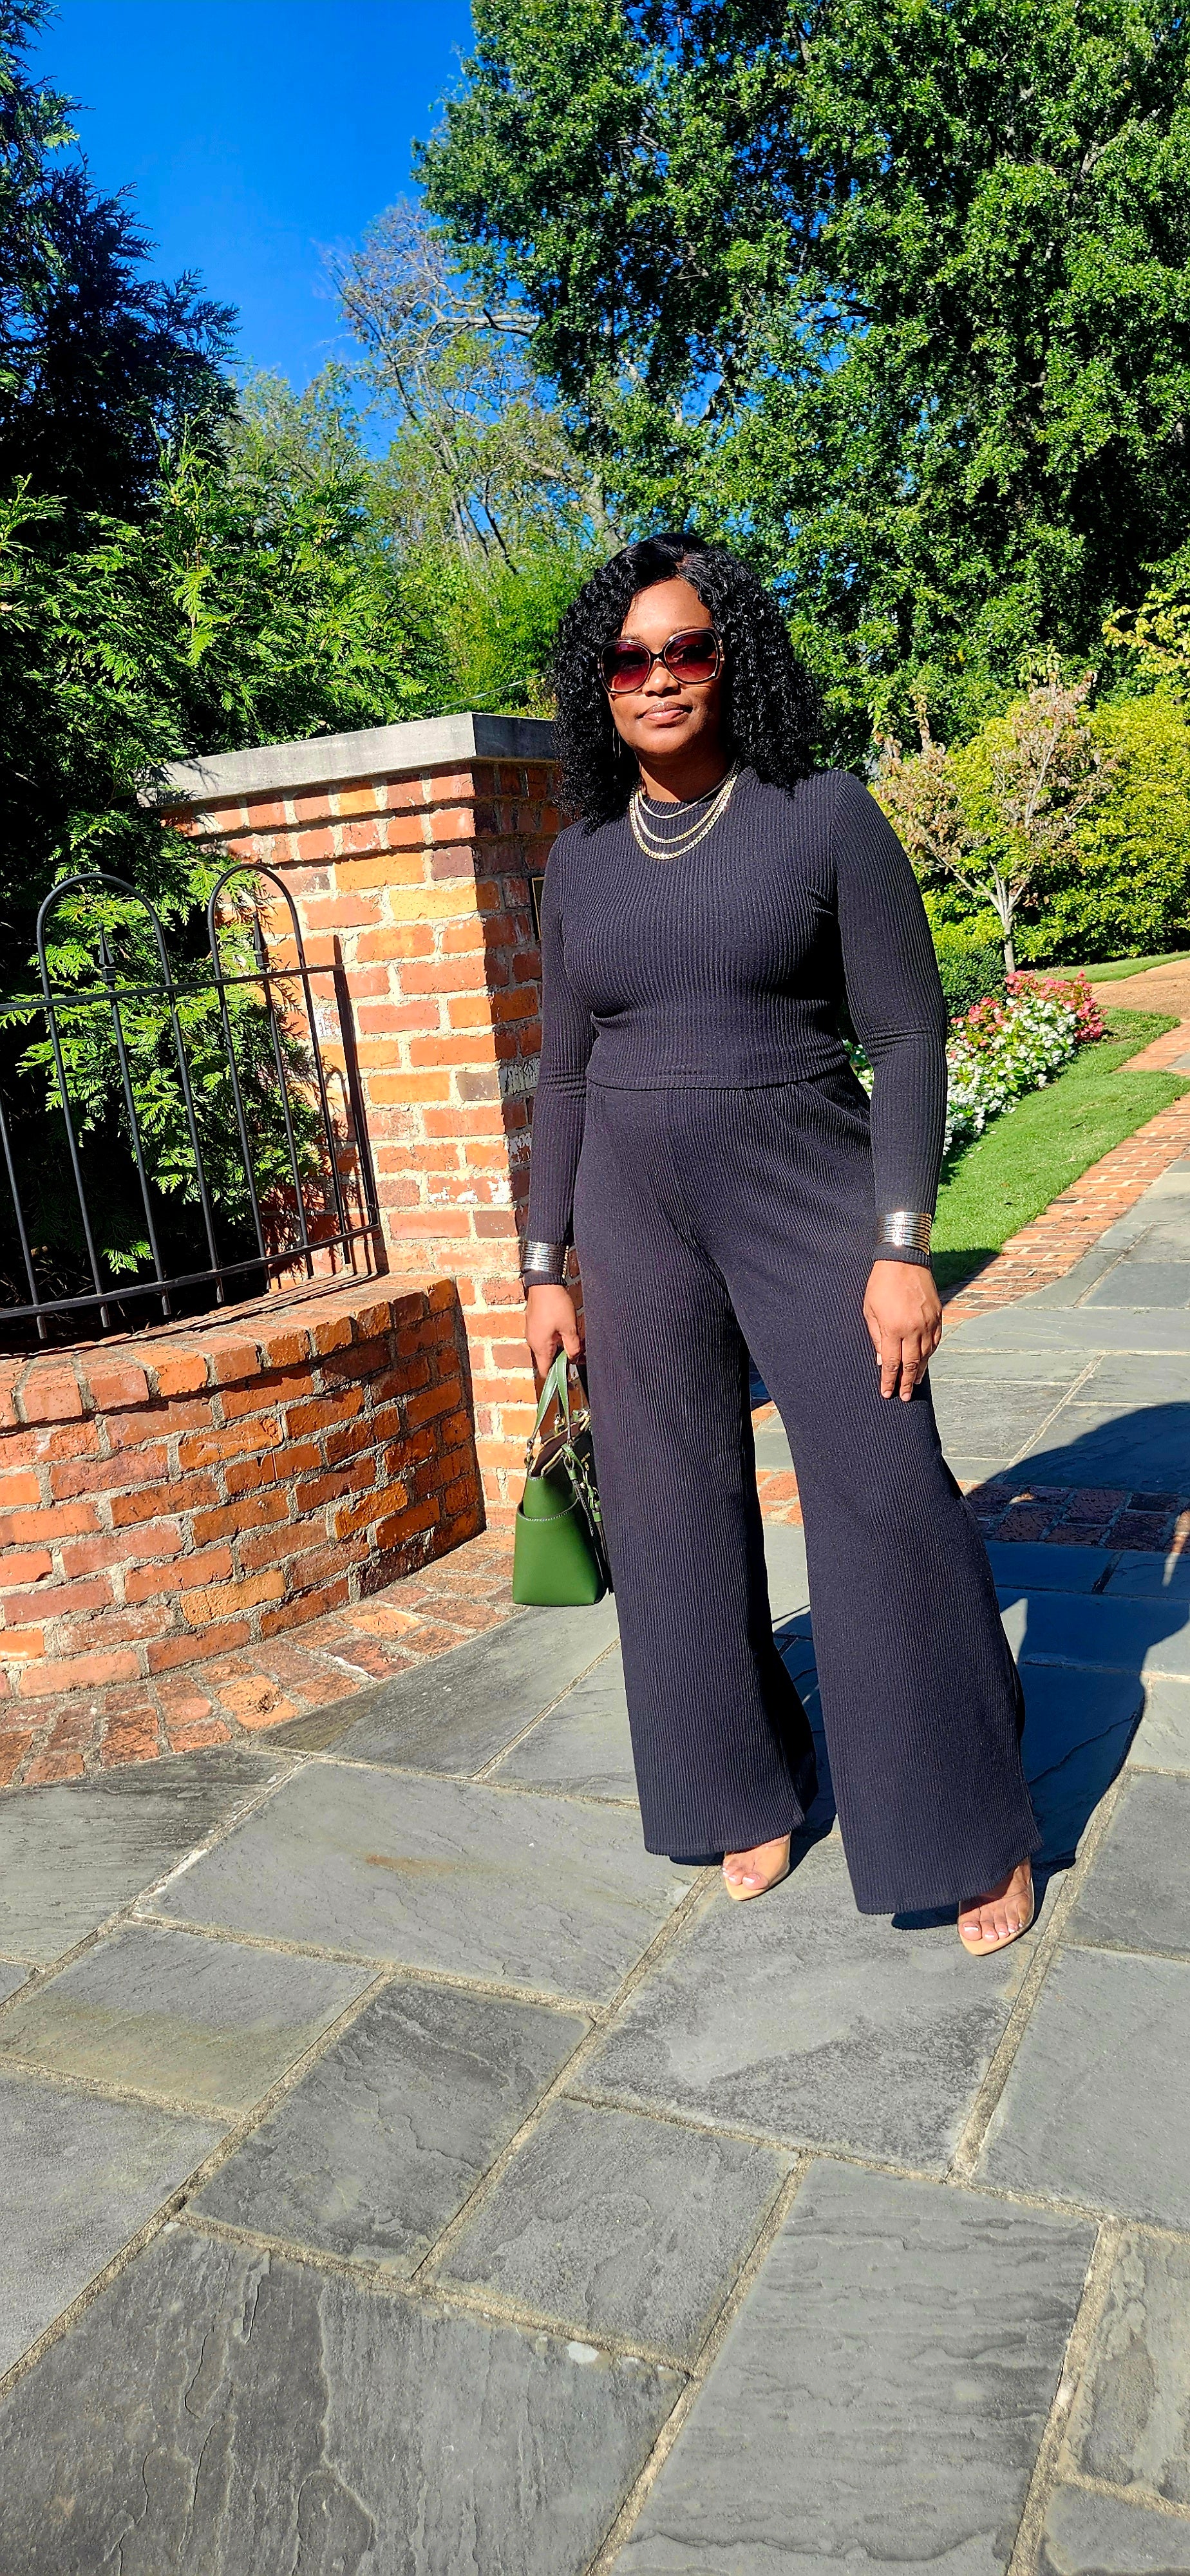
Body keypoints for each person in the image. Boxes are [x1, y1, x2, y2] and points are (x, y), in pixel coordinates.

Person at [522, 533, 1039, 1955]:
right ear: (598, 686)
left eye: (688, 649)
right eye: (631, 659)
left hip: (808, 1195)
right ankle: (738, 1782)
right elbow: (560, 1072)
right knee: (674, 1505)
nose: (662, 677)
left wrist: (901, 1243)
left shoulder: (820, 816)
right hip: (631, 1222)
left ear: (729, 657)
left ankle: (969, 1819)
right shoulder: (577, 861)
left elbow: (907, 1030)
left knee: (882, 1490)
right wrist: (541, 1263)